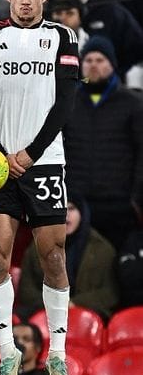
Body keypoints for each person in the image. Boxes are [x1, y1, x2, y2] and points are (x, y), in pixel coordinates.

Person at [0, 0, 79, 375]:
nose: (27, 0)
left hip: (46, 162)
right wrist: (2, 155)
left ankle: (57, 352)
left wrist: (29, 155)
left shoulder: (63, 38)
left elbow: (66, 103)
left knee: (53, 255)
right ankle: (7, 353)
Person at [63, 36, 143, 251]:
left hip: (119, 205)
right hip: (76, 204)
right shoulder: (68, 102)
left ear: (112, 64)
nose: (93, 65)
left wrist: (135, 199)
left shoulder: (133, 103)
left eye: (100, 60)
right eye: (88, 60)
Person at [19, 190, 119, 320]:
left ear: (82, 213)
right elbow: (26, 290)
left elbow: (110, 293)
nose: (65, 215)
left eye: (71, 208)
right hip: (45, 314)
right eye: (61, 208)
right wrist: (54, 305)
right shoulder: (36, 246)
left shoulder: (102, 248)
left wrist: (74, 304)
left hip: (88, 316)